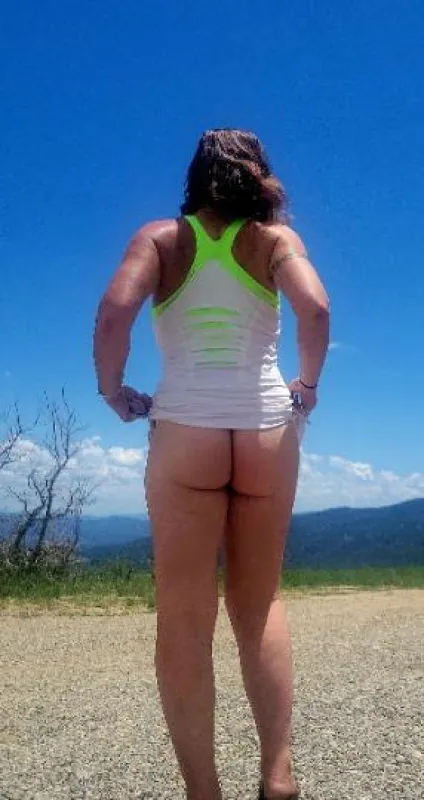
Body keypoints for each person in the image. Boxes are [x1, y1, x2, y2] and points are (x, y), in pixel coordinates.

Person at [93, 128, 330, 800]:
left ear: (195, 178)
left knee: (184, 615)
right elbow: (315, 309)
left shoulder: (161, 239)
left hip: (185, 431)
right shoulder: (275, 241)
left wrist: (114, 391)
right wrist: (308, 385)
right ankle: (278, 774)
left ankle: (204, 791)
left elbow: (114, 313)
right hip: (266, 431)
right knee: (260, 603)